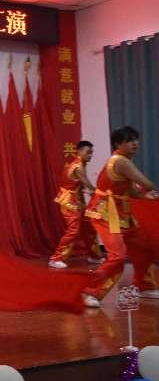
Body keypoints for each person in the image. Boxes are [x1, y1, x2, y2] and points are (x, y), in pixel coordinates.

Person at [82, 126, 159, 307]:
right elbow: (147, 183)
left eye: (136, 139)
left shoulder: (123, 161)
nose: (135, 143)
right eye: (129, 140)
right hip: (105, 213)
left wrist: (144, 196)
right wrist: (150, 191)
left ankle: (144, 286)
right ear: (118, 144)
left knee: (144, 248)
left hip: (122, 213)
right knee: (117, 255)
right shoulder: (121, 161)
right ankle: (90, 292)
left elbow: (132, 191)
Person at [48, 141, 104, 269]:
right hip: (69, 201)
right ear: (79, 151)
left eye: (92, 153)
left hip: (78, 200)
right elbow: (87, 183)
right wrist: (98, 193)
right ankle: (55, 258)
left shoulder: (80, 164)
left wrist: (90, 192)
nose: (90, 155)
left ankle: (94, 256)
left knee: (89, 226)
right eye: (88, 152)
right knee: (74, 229)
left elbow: (79, 185)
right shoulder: (78, 166)